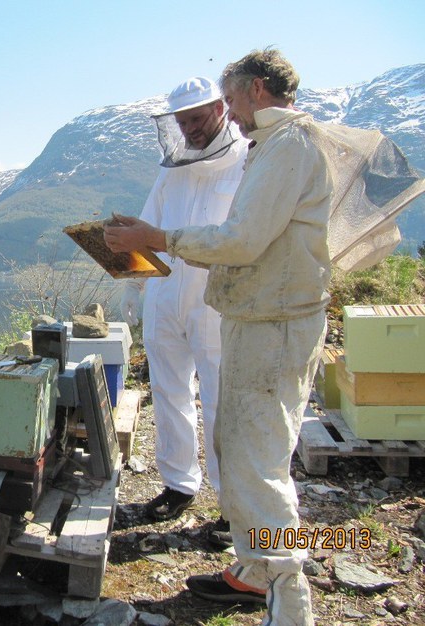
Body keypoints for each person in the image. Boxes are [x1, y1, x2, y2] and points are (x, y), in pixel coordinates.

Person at [104, 48, 332, 625]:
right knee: (224, 424)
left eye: (224, 104)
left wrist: (157, 236)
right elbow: (156, 235)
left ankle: (286, 589)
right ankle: (249, 560)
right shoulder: (240, 154)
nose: (216, 118)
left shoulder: (279, 148)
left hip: (261, 313)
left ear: (253, 91)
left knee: (253, 450)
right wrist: (128, 248)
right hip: (232, 305)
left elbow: (240, 239)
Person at [119, 77, 247, 530]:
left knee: (219, 398)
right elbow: (149, 226)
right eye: (182, 121)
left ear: (219, 110)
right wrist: (127, 270)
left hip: (217, 296)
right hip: (165, 291)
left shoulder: (247, 161)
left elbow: (242, 239)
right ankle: (178, 485)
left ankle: (233, 508)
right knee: (169, 390)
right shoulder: (171, 168)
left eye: (196, 118)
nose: (190, 129)